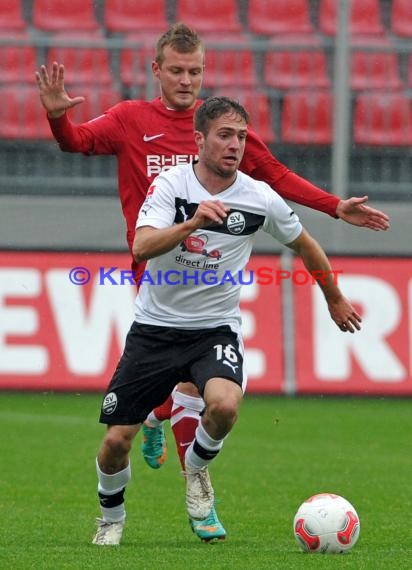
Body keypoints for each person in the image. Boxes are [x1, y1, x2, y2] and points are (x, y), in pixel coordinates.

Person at [35, 23, 387, 542]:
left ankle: (197, 490)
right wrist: (56, 115)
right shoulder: (134, 120)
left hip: (208, 297)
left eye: (194, 71)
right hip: (154, 263)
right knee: (152, 400)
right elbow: (78, 142)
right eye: (176, 70)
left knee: (199, 389)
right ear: (157, 71)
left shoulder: (228, 132)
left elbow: (276, 177)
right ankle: (154, 422)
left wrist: (333, 207)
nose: (185, 80)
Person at [91, 96, 362, 546]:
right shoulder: (170, 186)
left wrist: (333, 297)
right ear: (199, 140)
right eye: (224, 135)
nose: (235, 145)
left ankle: (196, 470)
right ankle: (110, 520)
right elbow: (141, 247)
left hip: (215, 329)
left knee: (224, 406)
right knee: (116, 441)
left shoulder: (257, 197)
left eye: (240, 136)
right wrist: (193, 222)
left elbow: (306, 245)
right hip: (155, 330)